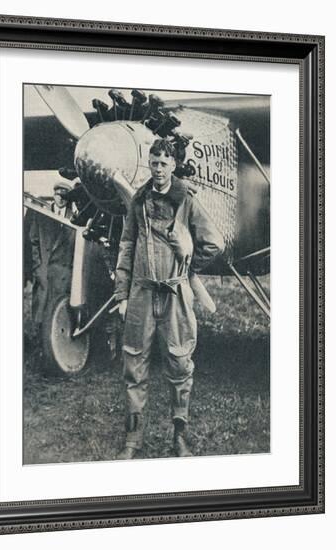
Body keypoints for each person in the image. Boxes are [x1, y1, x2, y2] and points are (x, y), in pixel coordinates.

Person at [114, 138, 225, 459]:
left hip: (175, 294)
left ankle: (180, 436)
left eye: (164, 163)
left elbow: (213, 242)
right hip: (141, 294)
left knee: (179, 363)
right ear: (149, 163)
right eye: (154, 162)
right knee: (134, 366)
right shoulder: (138, 201)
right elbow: (126, 246)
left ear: (174, 165)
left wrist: (188, 267)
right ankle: (132, 441)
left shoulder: (186, 201)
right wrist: (122, 293)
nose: (159, 169)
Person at [27, 180, 75, 342]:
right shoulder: (42, 215)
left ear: (68, 198)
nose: (60, 199)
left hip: (63, 273)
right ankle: (37, 340)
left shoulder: (74, 219)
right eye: (57, 194)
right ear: (53, 195)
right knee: (41, 305)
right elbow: (33, 240)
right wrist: (37, 266)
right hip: (45, 269)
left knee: (58, 308)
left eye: (64, 196)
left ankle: (56, 344)